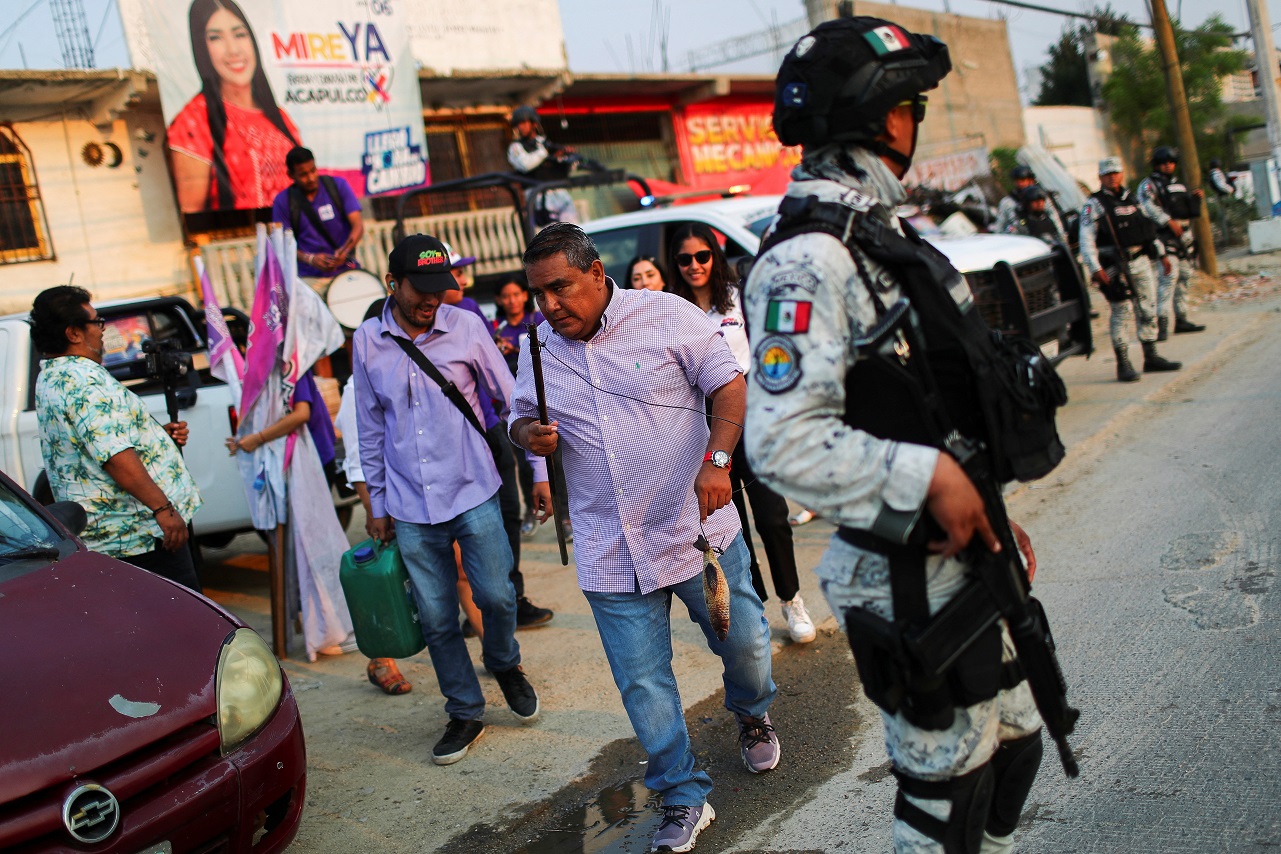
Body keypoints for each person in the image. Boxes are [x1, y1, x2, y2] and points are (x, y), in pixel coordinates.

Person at [745, 18, 1056, 852]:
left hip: (964, 551)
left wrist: (983, 502)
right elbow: (779, 442)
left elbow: (921, 398)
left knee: (1016, 753)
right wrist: (928, 481)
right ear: (885, 117)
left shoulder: (880, 237)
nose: (912, 123)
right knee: (945, 798)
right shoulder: (804, 262)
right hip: (900, 572)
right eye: (911, 105)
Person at [511, 223, 780, 854]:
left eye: (561, 289)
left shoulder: (668, 315)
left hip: (694, 528)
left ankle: (751, 710)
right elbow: (519, 413)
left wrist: (717, 462)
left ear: (597, 274)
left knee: (744, 642)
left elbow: (729, 383)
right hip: (608, 544)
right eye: (539, 293)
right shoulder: (536, 346)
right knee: (642, 680)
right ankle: (683, 794)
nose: (549, 306)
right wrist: (528, 436)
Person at [353, 233, 549, 766]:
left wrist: (538, 472)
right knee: (438, 617)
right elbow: (369, 429)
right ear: (393, 284)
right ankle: (464, 709)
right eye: (421, 289)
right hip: (410, 505)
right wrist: (376, 506)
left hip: (474, 490)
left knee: (499, 597)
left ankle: (504, 662)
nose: (432, 299)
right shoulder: (368, 340)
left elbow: (516, 403)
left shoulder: (466, 326)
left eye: (441, 288)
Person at [668, 222, 815, 644]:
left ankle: (791, 599)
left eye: (702, 256)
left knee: (772, 516)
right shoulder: (674, 308)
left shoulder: (736, 298)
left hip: (750, 414)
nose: (694, 265)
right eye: (684, 259)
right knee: (732, 526)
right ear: (676, 265)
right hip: (704, 424)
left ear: (714, 256)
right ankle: (756, 609)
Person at [31, 286, 202, 591]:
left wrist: (155, 439)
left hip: (118, 535)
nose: (102, 329)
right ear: (74, 333)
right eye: (97, 322)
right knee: (183, 628)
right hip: (137, 536)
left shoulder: (54, 374)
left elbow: (97, 442)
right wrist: (163, 509)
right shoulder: (82, 381)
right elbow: (115, 457)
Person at [442, 242, 557, 625]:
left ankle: (510, 598)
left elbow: (508, 394)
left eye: (460, 271)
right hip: (458, 442)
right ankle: (480, 606)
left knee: (506, 515)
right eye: (455, 272)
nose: (461, 278)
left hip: (490, 430)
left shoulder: (469, 312)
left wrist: (538, 467)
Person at [168, 0, 300, 212]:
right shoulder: (193, 121)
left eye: (239, 34)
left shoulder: (279, 118)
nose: (233, 50)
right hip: (243, 242)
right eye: (216, 38)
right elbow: (192, 213)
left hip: (301, 238)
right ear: (202, 47)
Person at [1081, 157, 1181, 382]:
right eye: (1108, 174)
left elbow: (1148, 230)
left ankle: (1151, 355)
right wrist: (1095, 268)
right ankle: (1123, 363)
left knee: (1147, 307)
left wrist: (1162, 254)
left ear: (1122, 174)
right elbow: (1086, 239)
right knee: (1121, 311)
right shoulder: (1094, 205)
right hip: (1115, 265)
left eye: (1116, 173)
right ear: (1100, 178)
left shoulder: (1133, 198)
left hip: (1141, 261)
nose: (1113, 177)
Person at [493, 276, 546, 538]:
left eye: (516, 294)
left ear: (525, 296)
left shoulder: (539, 320)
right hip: (514, 405)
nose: (512, 300)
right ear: (499, 301)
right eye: (506, 296)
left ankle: (566, 515)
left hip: (546, 399)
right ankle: (531, 510)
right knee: (525, 463)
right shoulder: (497, 329)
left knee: (557, 461)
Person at [271, 147, 364, 293]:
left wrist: (345, 251)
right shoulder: (283, 202)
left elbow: (358, 225)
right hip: (310, 278)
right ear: (291, 175)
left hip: (346, 270)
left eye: (313, 170)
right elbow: (282, 243)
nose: (311, 178)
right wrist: (311, 259)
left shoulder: (337, 186)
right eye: (303, 174)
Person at [1138, 146, 1207, 339]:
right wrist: (1167, 221)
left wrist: (1195, 198)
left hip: (1184, 236)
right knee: (1168, 279)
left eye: (1171, 162)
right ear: (1157, 164)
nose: (1168, 166)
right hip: (1163, 236)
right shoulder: (1149, 185)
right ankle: (1161, 324)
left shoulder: (1178, 184)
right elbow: (1145, 206)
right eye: (1164, 162)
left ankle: (1182, 319)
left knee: (1185, 277)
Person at [507, 105, 578, 225]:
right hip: (539, 198)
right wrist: (545, 153)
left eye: (524, 123)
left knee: (574, 235)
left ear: (534, 124)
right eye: (518, 124)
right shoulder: (516, 147)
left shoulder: (544, 143)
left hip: (560, 194)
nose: (521, 127)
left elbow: (565, 168)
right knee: (552, 238)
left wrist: (565, 157)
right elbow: (525, 164)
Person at [993, 164, 1035, 235]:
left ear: (1031, 181)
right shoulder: (1007, 202)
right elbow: (999, 226)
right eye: (1017, 180)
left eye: (1023, 180)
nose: (1020, 183)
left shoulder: (1041, 198)